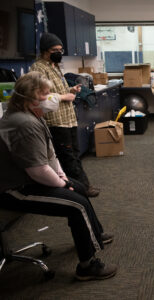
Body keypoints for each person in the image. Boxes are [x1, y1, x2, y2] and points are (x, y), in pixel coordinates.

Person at [0, 72, 117, 280]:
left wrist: (64, 178)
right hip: (14, 188)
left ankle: (93, 235)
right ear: (31, 97)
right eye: (46, 93)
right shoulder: (24, 123)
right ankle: (87, 266)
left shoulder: (32, 115)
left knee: (79, 188)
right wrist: (62, 184)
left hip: (32, 178)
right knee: (76, 205)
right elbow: (38, 170)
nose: (51, 97)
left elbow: (50, 154)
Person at [30, 32, 99, 197]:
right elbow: (40, 97)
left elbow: (56, 90)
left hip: (68, 118)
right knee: (67, 157)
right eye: (55, 49)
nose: (59, 53)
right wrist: (63, 97)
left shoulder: (55, 67)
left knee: (74, 153)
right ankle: (82, 188)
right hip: (56, 120)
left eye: (61, 49)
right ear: (46, 50)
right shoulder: (38, 69)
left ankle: (78, 186)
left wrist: (71, 90)